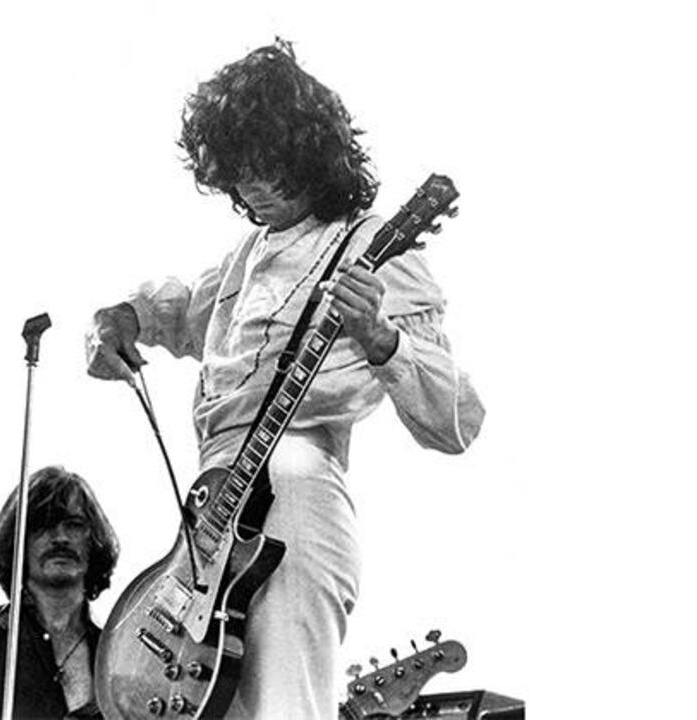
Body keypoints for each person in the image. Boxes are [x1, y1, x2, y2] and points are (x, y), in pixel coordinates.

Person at [85, 40, 485, 719]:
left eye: (263, 169)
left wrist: (383, 341)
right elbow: (182, 308)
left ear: (306, 152)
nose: (250, 190)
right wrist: (120, 319)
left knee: (284, 704)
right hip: (210, 520)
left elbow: (457, 420)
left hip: (296, 497)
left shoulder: (372, 247)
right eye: (236, 176)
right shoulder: (247, 257)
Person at [0, 466, 120, 719]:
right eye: (43, 526)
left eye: (74, 525)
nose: (60, 538)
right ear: (18, 542)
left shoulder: (119, 649)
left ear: (94, 540)